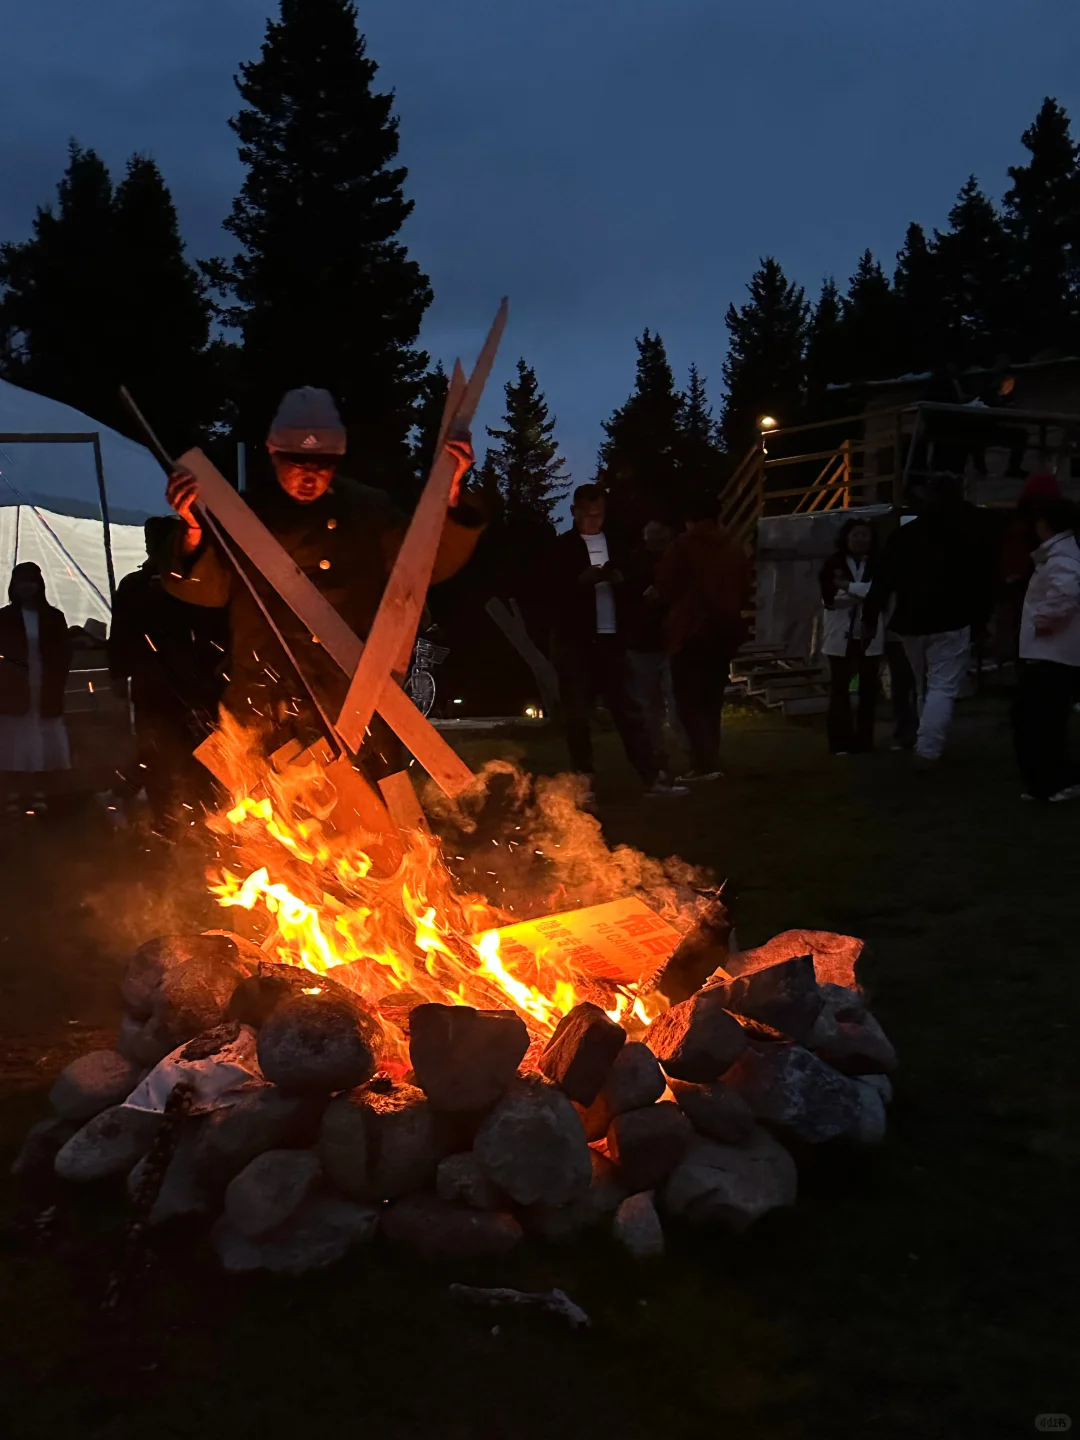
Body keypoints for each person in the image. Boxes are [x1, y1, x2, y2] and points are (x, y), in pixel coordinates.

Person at [164, 387, 486, 775]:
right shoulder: (242, 514)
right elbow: (206, 590)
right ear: (272, 451)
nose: (309, 474)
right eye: (297, 461)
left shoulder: (369, 510)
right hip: (265, 709)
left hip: (356, 705)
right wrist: (193, 530)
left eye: (323, 462)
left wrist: (450, 498)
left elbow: (427, 568)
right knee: (263, 828)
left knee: (375, 829)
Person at [537, 484, 683, 799]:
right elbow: (548, 593)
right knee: (578, 714)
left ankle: (651, 776)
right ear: (574, 511)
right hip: (576, 642)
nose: (594, 520)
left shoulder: (617, 546)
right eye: (588, 514)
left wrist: (619, 581)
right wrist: (579, 582)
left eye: (599, 514)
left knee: (629, 711)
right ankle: (583, 781)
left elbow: (635, 586)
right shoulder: (561, 549)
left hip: (611, 640)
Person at [863, 476, 995, 766]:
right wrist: (981, 621)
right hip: (951, 620)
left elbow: (883, 581)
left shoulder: (905, 536)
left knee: (924, 685)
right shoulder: (966, 536)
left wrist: (870, 618)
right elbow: (982, 583)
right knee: (942, 687)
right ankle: (928, 748)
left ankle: (925, 739)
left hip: (911, 621)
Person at [109, 516, 229, 832]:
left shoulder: (193, 583)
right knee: (156, 753)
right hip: (153, 687)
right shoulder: (134, 586)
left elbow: (212, 630)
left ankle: (205, 821)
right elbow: (121, 633)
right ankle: (165, 821)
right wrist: (119, 674)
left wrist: (214, 675)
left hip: (193, 685)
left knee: (201, 753)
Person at [656, 493, 752, 782]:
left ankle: (703, 763)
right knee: (711, 701)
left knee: (687, 702)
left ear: (690, 519)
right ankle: (711, 758)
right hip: (723, 633)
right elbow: (745, 586)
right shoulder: (734, 548)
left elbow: (665, 584)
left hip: (690, 632)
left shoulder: (684, 547)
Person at [1012, 497, 1080, 801]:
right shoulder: (1060, 555)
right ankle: (1047, 780)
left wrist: (1041, 621)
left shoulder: (1062, 557)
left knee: (1040, 720)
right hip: (1050, 650)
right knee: (1041, 719)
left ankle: (1052, 779)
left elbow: (1066, 593)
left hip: (1050, 651)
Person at [0, 562, 73, 813]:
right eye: (22, 582)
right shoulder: (5, 617)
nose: (27, 588)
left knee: (42, 733)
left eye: (31, 582)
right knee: (15, 739)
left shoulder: (53, 617)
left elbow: (63, 653)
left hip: (45, 682)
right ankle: (16, 791)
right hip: (15, 685)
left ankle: (39, 790)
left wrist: (57, 680)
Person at [624, 520, 687, 771]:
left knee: (677, 702)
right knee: (648, 704)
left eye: (660, 538)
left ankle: (690, 752)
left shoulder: (677, 562)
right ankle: (657, 754)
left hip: (671, 640)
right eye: (652, 538)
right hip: (643, 641)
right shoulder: (635, 563)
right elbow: (629, 596)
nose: (656, 544)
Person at [818, 519, 885, 754]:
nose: (860, 539)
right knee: (839, 689)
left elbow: (880, 592)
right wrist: (860, 594)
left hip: (868, 632)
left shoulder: (878, 563)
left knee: (868, 690)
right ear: (846, 537)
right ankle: (839, 742)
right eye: (855, 535)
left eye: (864, 535)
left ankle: (865, 741)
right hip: (840, 633)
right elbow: (830, 598)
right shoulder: (834, 562)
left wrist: (847, 587)